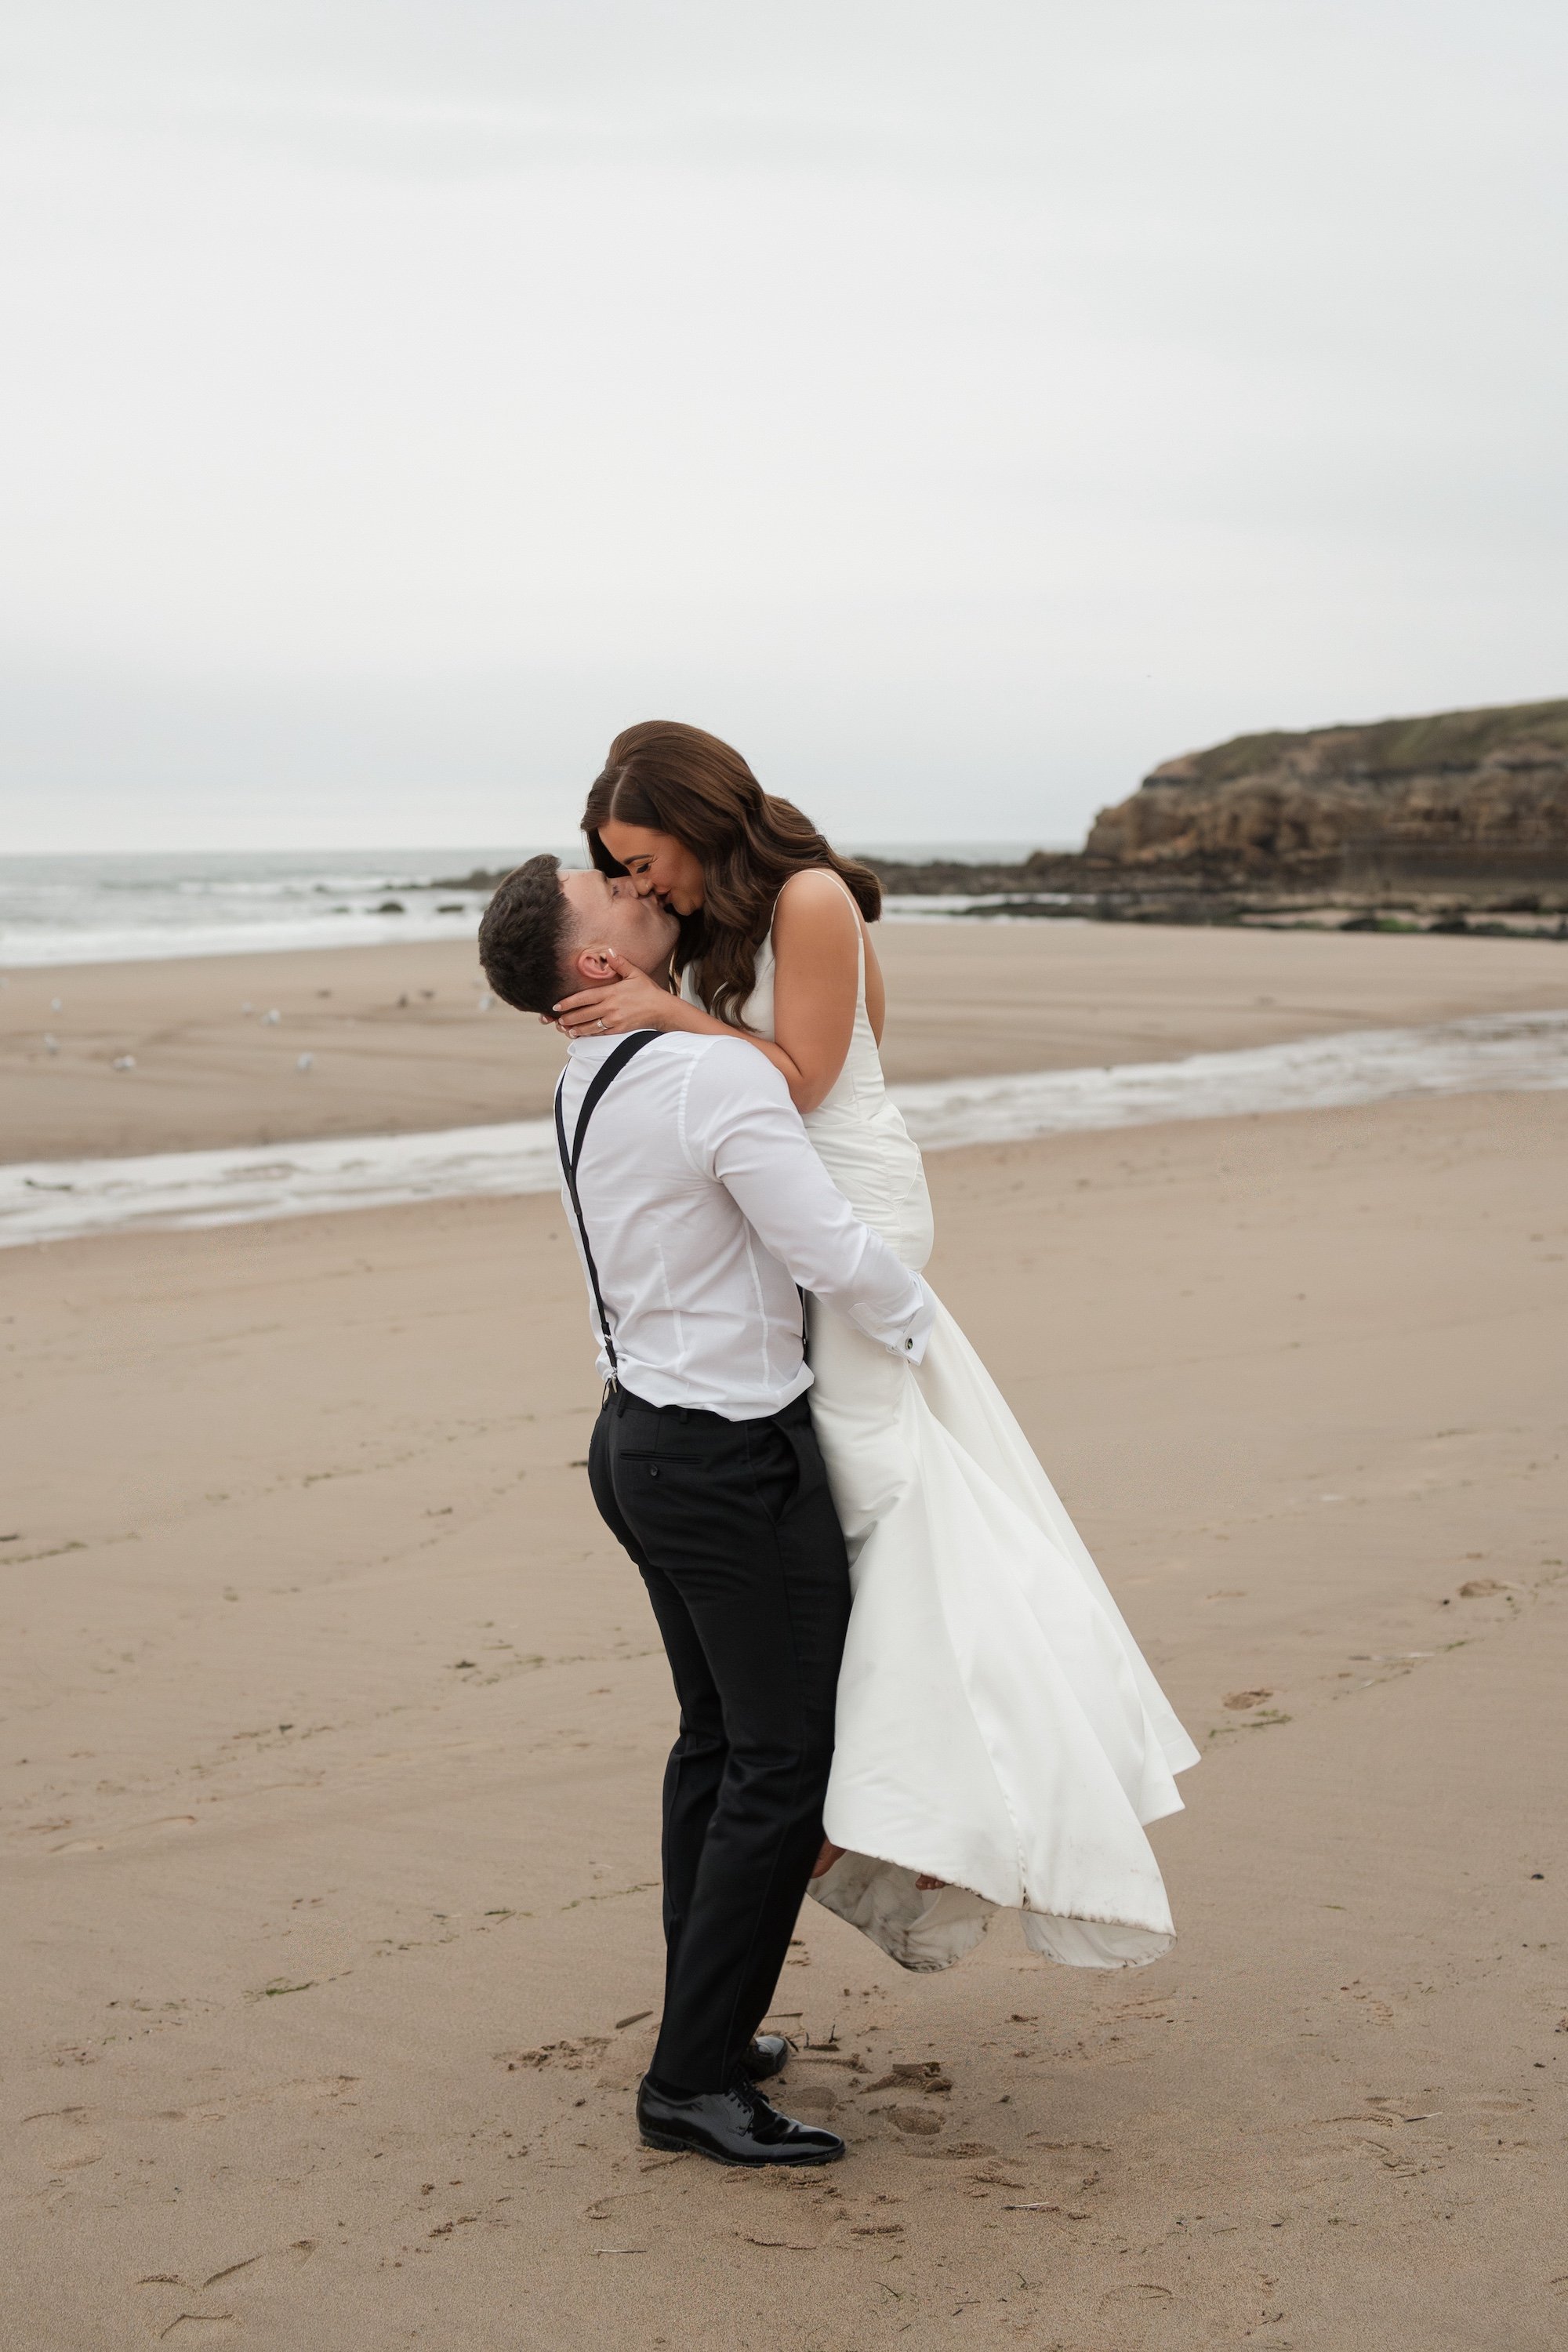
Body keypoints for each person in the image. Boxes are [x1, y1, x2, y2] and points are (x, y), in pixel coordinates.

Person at [551, 720, 1200, 1975]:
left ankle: (918, 1780)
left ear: (696, 823)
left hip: (847, 1208)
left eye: (643, 860)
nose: (638, 888)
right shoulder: (724, 915)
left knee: (874, 1489)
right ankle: (872, 1787)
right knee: (851, 1487)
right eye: (616, 871)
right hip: (796, 1205)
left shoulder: (808, 896)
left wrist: (657, 1017)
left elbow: (794, 1082)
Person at [477, 853, 935, 2168]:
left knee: (718, 1744)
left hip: (639, 1445)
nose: (638, 885)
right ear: (598, 965)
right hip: (728, 1462)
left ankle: (710, 2028)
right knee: (782, 1765)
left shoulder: (587, 1075)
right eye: (611, 889)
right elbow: (829, 1250)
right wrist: (931, 1340)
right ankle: (691, 2082)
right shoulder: (709, 1073)